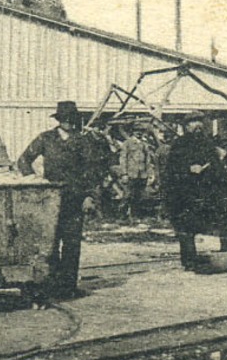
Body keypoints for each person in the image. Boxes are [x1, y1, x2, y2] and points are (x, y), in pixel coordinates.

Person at [16, 102, 99, 295]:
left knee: (72, 244)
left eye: (72, 119)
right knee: (49, 244)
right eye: (65, 119)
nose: (69, 123)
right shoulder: (46, 139)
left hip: (74, 200)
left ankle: (68, 286)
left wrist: (89, 196)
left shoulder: (83, 141)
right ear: (59, 120)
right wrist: (35, 183)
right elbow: (23, 160)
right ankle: (50, 283)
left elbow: (92, 171)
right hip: (49, 200)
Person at [165, 118, 227, 267]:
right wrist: (188, 169)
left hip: (208, 191)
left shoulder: (208, 144)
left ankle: (226, 257)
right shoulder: (179, 145)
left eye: (199, 122)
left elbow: (217, 166)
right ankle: (189, 260)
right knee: (187, 228)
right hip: (187, 192)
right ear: (186, 126)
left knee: (224, 222)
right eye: (193, 122)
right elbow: (171, 169)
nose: (198, 125)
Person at [117, 123, 155, 220]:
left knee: (139, 196)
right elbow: (123, 158)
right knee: (128, 195)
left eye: (141, 131)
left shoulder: (144, 144)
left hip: (142, 174)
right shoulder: (127, 143)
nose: (139, 133)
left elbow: (148, 160)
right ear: (132, 132)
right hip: (130, 173)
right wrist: (124, 173)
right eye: (137, 131)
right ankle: (122, 216)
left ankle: (135, 216)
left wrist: (150, 174)